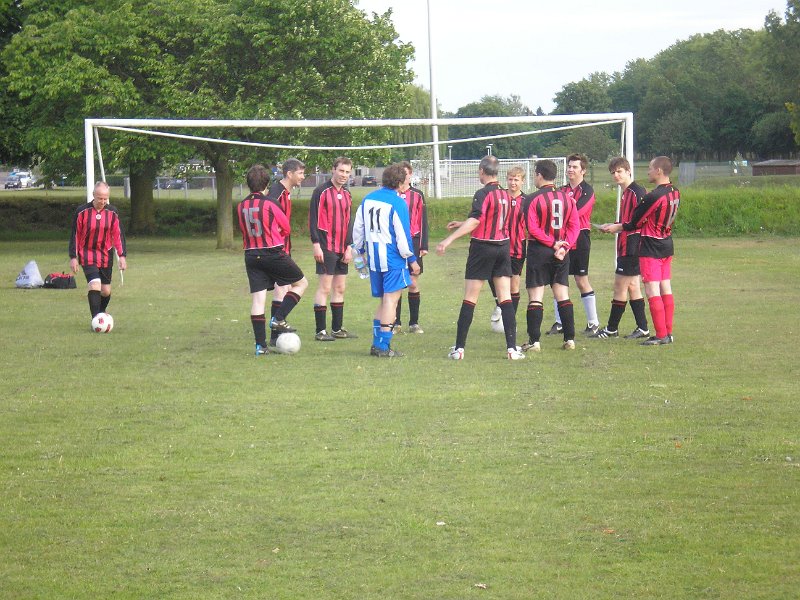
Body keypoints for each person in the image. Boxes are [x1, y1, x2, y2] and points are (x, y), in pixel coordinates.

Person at [437, 155, 524, 360]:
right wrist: (462, 223)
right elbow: (489, 218)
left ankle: (459, 349)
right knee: (505, 298)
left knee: (470, 298)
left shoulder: (482, 193)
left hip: (482, 248)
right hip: (503, 248)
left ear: (482, 171)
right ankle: (512, 349)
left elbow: (477, 221)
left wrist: (448, 240)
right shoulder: (506, 194)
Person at [600, 156, 680, 345]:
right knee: (665, 288)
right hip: (667, 242)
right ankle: (668, 332)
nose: (648, 171)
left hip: (651, 246)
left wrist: (616, 227)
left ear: (659, 171)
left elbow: (635, 222)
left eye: (651, 168)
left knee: (652, 289)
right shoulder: (675, 191)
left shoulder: (652, 196)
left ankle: (661, 334)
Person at [237, 164, 308, 356]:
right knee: (301, 283)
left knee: (258, 300)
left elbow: (244, 230)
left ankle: (260, 346)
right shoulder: (270, 203)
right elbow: (286, 228)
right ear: (267, 184)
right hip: (273, 253)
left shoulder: (241, 205)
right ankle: (278, 318)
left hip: (251, 255)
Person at [352, 163, 420, 358]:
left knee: (383, 301)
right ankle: (383, 346)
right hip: (392, 260)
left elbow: (358, 229)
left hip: (374, 260)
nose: (407, 183)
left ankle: (377, 344)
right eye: (406, 180)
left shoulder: (368, 198)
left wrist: (359, 251)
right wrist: (412, 259)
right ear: (399, 182)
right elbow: (403, 237)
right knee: (391, 300)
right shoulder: (398, 203)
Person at [520, 159, 580, 352]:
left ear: (539, 174)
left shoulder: (531, 199)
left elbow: (533, 228)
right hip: (562, 251)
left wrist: (552, 243)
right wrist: (565, 246)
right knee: (562, 294)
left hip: (540, 250)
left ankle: (534, 342)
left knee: (536, 296)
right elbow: (574, 226)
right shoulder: (568, 198)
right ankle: (570, 339)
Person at [591, 157, 650, 340]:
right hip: (626, 245)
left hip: (632, 246)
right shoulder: (626, 193)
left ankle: (611, 329)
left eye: (619, 171)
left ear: (628, 171)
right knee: (633, 286)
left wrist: (620, 227)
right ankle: (643, 328)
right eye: (613, 172)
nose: (616, 175)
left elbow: (641, 221)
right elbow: (628, 221)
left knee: (620, 286)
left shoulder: (637, 192)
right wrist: (614, 225)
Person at [547, 153, 600, 336]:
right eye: (569, 166)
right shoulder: (561, 190)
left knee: (580, 279)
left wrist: (561, 216)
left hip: (580, 237)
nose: (570, 169)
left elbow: (576, 213)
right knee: (558, 280)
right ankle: (559, 322)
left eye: (575, 167)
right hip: (562, 238)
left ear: (583, 171)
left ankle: (593, 323)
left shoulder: (588, 191)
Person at [309, 156, 357, 341]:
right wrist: (316, 244)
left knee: (340, 287)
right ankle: (320, 331)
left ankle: (337, 329)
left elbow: (348, 222)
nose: (344, 175)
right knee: (325, 287)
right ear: (333, 170)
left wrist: (349, 247)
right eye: (341, 171)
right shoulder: (321, 191)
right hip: (325, 246)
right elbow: (313, 219)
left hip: (342, 248)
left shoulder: (347, 194)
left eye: (347, 172)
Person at [69, 181, 127, 319]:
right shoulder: (82, 212)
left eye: (105, 198)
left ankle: (101, 312)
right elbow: (75, 235)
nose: (102, 201)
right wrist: (73, 257)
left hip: (105, 254)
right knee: (95, 284)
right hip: (87, 253)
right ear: (93, 195)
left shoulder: (112, 212)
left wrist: (122, 256)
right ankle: (96, 319)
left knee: (106, 291)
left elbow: (117, 235)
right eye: (100, 198)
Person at [264, 158, 306, 349]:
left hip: (283, 248)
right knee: (289, 287)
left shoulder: (285, 193)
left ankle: (276, 332)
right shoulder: (276, 193)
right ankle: (277, 324)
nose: (303, 177)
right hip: (276, 249)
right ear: (289, 174)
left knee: (285, 288)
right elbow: (269, 220)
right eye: (300, 173)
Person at [393, 161, 428, 334]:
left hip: (413, 242)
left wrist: (424, 244)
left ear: (410, 174)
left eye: (405, 173)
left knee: (413, 282)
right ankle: (396, 323)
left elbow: (423, 220)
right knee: (398, 282)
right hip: (396, 244)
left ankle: (414, 323)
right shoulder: (393, 194)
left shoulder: (418, 195)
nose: (402, 176)